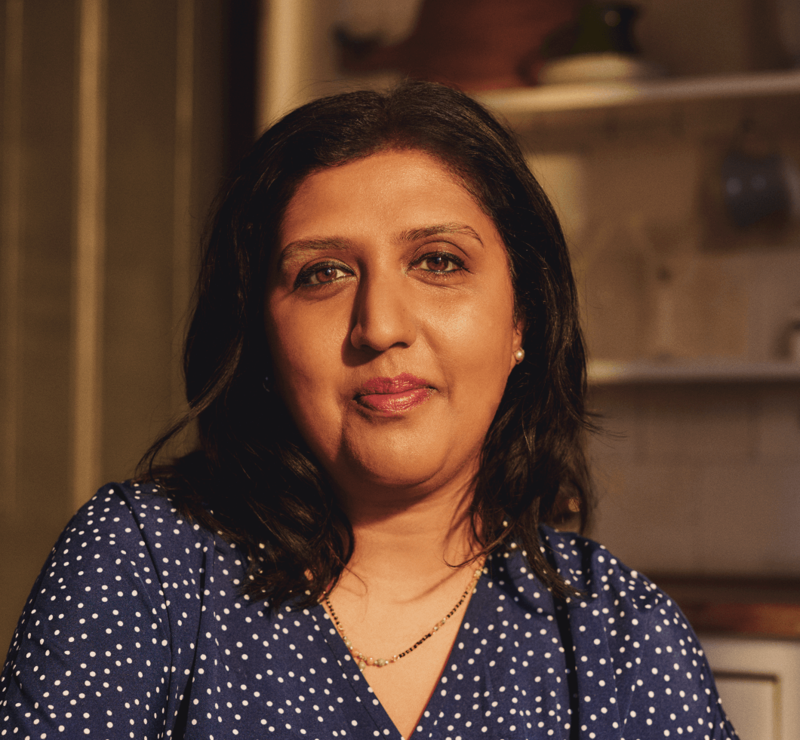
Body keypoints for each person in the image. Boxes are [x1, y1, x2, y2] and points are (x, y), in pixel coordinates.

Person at [0, 80, 737, 740]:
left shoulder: (622, 640)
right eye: (323, 273)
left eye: (439, 262)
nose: (380, 324)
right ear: (261, 336)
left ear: (524, 320)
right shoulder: (142, 564)